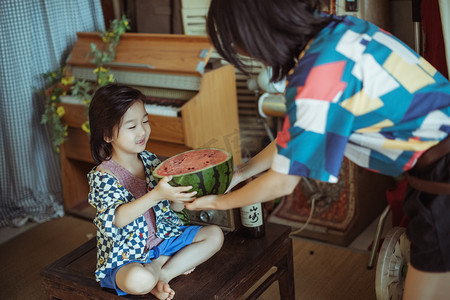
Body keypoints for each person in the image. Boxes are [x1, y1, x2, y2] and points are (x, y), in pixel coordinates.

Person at [184, 1, 450, 299]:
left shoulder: (317, 74)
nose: (240, 51)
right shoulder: (335, 30)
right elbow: (296, 139)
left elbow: (283, 180)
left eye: (235, 41)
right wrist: (242, 172)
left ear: (255, 31)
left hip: (441, 174)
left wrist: (217, 203)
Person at [87, 84, 224, 300]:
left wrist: (179, 196)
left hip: (164, 239)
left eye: (145, 121)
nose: (142, 131)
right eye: (131, 127)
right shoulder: (103, 176)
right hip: (126, 256)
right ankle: (160, 269)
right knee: (137, 280)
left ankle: (163, 274)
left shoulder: (150, 160)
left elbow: (171, 209)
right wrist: (157, 194)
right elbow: (117, 219)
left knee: (215, 235)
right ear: (106, 135)